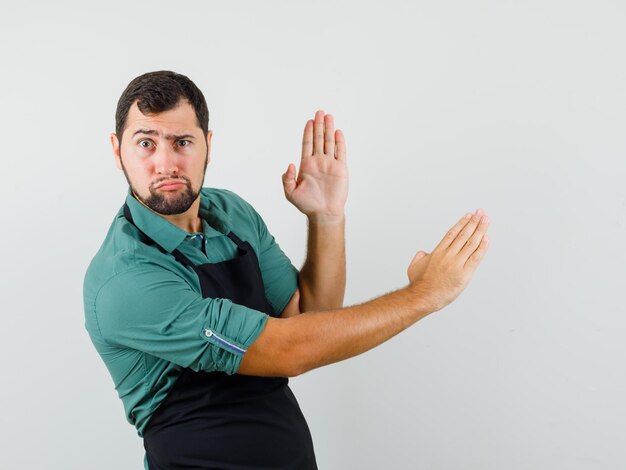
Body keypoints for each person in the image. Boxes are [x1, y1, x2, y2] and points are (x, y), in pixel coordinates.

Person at [83, 70, 490, 469]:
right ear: (118, 151)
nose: (165, 163)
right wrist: (424, 296)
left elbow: (312, 318)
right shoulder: (125, 279)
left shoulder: (231, 213)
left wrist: (327, 218)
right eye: (146, 144)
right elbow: (290, 349)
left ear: (208, 145)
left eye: (182, 142)